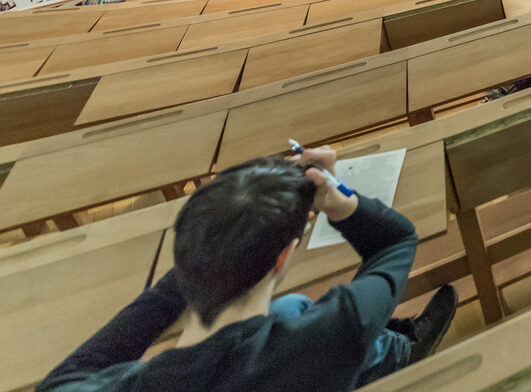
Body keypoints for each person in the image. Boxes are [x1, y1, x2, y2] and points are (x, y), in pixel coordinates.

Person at [42, 146, 457, 392]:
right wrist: (337, 194)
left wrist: (215, 241)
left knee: (290, 308)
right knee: (296, 313)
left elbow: (88, 361)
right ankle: (401, 353)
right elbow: (396, 239)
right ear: (282, 258)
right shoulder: (329, 337)